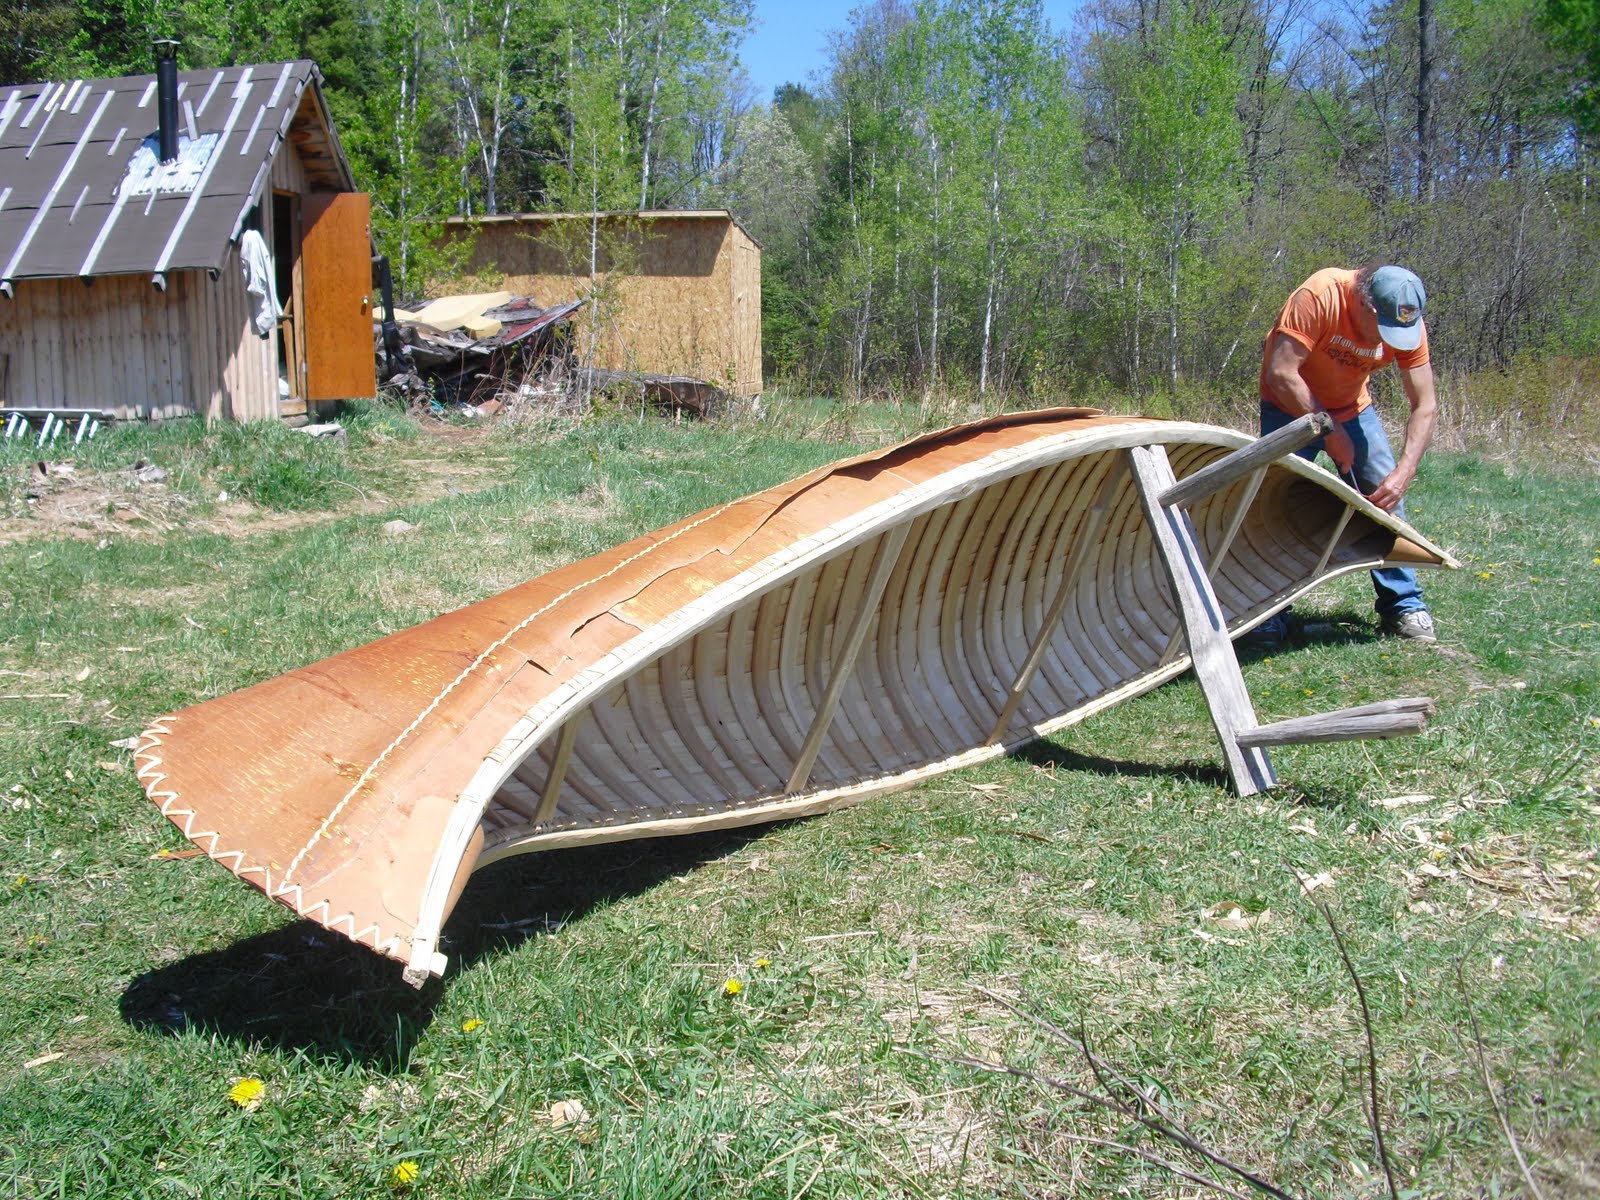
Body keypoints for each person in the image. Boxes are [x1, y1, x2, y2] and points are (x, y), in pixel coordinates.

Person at [1255, 263, 1439, 643]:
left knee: (1385, 499)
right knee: (1270, 503)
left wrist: (1404, 471)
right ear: (1365, 304)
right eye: (1384, 329)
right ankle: (1266, 613)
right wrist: (1330, 431)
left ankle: (1404, 607)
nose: (1392, 340)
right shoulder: (1320, 296)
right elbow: (1282, 372)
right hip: (1288, 405)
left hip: (1354, 409)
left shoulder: (1406, 323)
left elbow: (1425, 404)